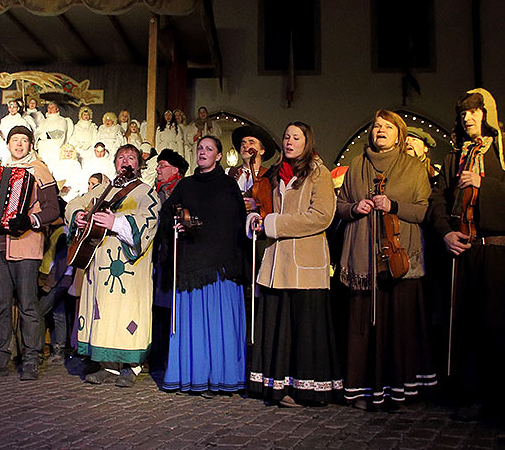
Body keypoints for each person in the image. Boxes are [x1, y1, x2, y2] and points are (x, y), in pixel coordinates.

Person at [433, 90, 505, 421]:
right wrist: (446, 232)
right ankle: (467, 393)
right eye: (463, 113)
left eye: (474, 112)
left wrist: (484, 183)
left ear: (488, 114)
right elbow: (437, 199)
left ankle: (503, 400)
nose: (468, 118)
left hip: (498, 253)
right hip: (464, 252)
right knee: (465, 325)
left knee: (499, 325)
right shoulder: (454, 158)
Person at [338, 110, 435, 410]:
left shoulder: (413, 167)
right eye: (377, 126)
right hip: (362, 258)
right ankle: (362, 389)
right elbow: (339, 207)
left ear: (399, 134)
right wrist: (355, 208)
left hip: (398, 258)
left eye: (388, 127)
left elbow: (423, 210)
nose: (380, 130)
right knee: (362, 325)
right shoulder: (357, 164)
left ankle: (397, 389)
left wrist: (393, 205)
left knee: (397, 325)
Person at [245, 122, 339, 407]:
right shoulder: (275, 174)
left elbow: (321, 216)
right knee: (278, 327)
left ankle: (305, 388)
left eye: (296, 137)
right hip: (277, 264)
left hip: (305, 262)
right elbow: (263, 207)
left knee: (303, 328)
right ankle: (276, 385)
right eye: (286, 136)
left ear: (306, 141)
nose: (289, 141)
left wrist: (274, 224)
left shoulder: (318, 174)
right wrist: (255, 217)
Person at [157, 135, 249, 394]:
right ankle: (192, 375)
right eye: (200, 148)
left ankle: (222, 377)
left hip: (221, 269)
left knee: (220, 328)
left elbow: (236, 225)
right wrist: (174, 225)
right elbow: (166, 216)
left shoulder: (229, 185)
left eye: (209, 149)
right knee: (195, 327)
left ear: (219, 155)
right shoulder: (185, 186)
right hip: (192, 266)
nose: (203, 152)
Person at [0, 125, 61, 379]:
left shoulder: (39, 170)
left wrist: (29, 220)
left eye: (24, 140)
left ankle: (31, 359)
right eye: (14, 140)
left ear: (30, 145)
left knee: (28, 305)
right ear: (8, 144)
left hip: (25, 245)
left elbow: (53, 210)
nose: (19, 145)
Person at [70, 143, 163, 386]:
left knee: (128, 313)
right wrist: (79, 216)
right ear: (115, 163)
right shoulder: (102, 189)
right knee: (103, 314)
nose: (125, 161)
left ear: (138, 165)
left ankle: (131, 367)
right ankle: (107, 366)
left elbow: (149, 222)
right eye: (121, 157)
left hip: (130, 268)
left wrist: (116, 222)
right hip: (99, 265)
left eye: (131, 157)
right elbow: (74, 204)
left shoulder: (146, 193)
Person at [229, 123, 276, 214]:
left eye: (251, 142)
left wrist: (257, 204)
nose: (245, 146)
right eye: (243, 143)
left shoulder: (269, 176)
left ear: (262, 150)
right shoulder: (229, 173)